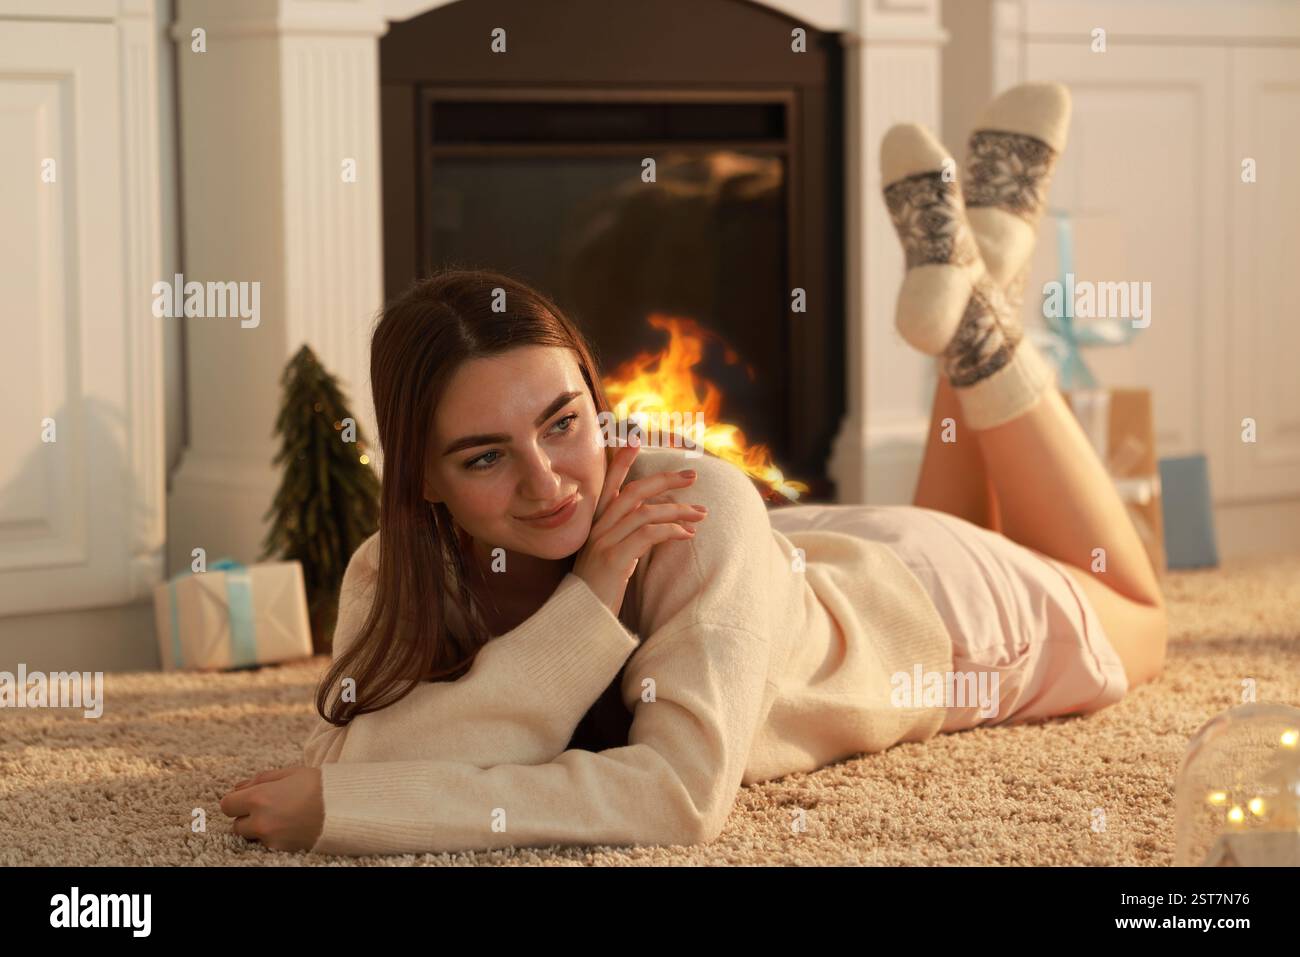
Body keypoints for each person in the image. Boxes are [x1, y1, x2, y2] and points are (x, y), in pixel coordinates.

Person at [220, 83, 1167, 856]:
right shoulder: (390, 567)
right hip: (801, 568)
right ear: (421, 479)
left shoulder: (688, 502)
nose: (548, 483)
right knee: (958, 510)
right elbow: (351, 756)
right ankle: (977, 274)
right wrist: (586, 606)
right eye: (483, 456)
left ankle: (981, 316)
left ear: (599, 404)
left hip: (936, 618)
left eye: (564, 423)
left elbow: (677, 797)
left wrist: (359, 816)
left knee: (1144, 618)